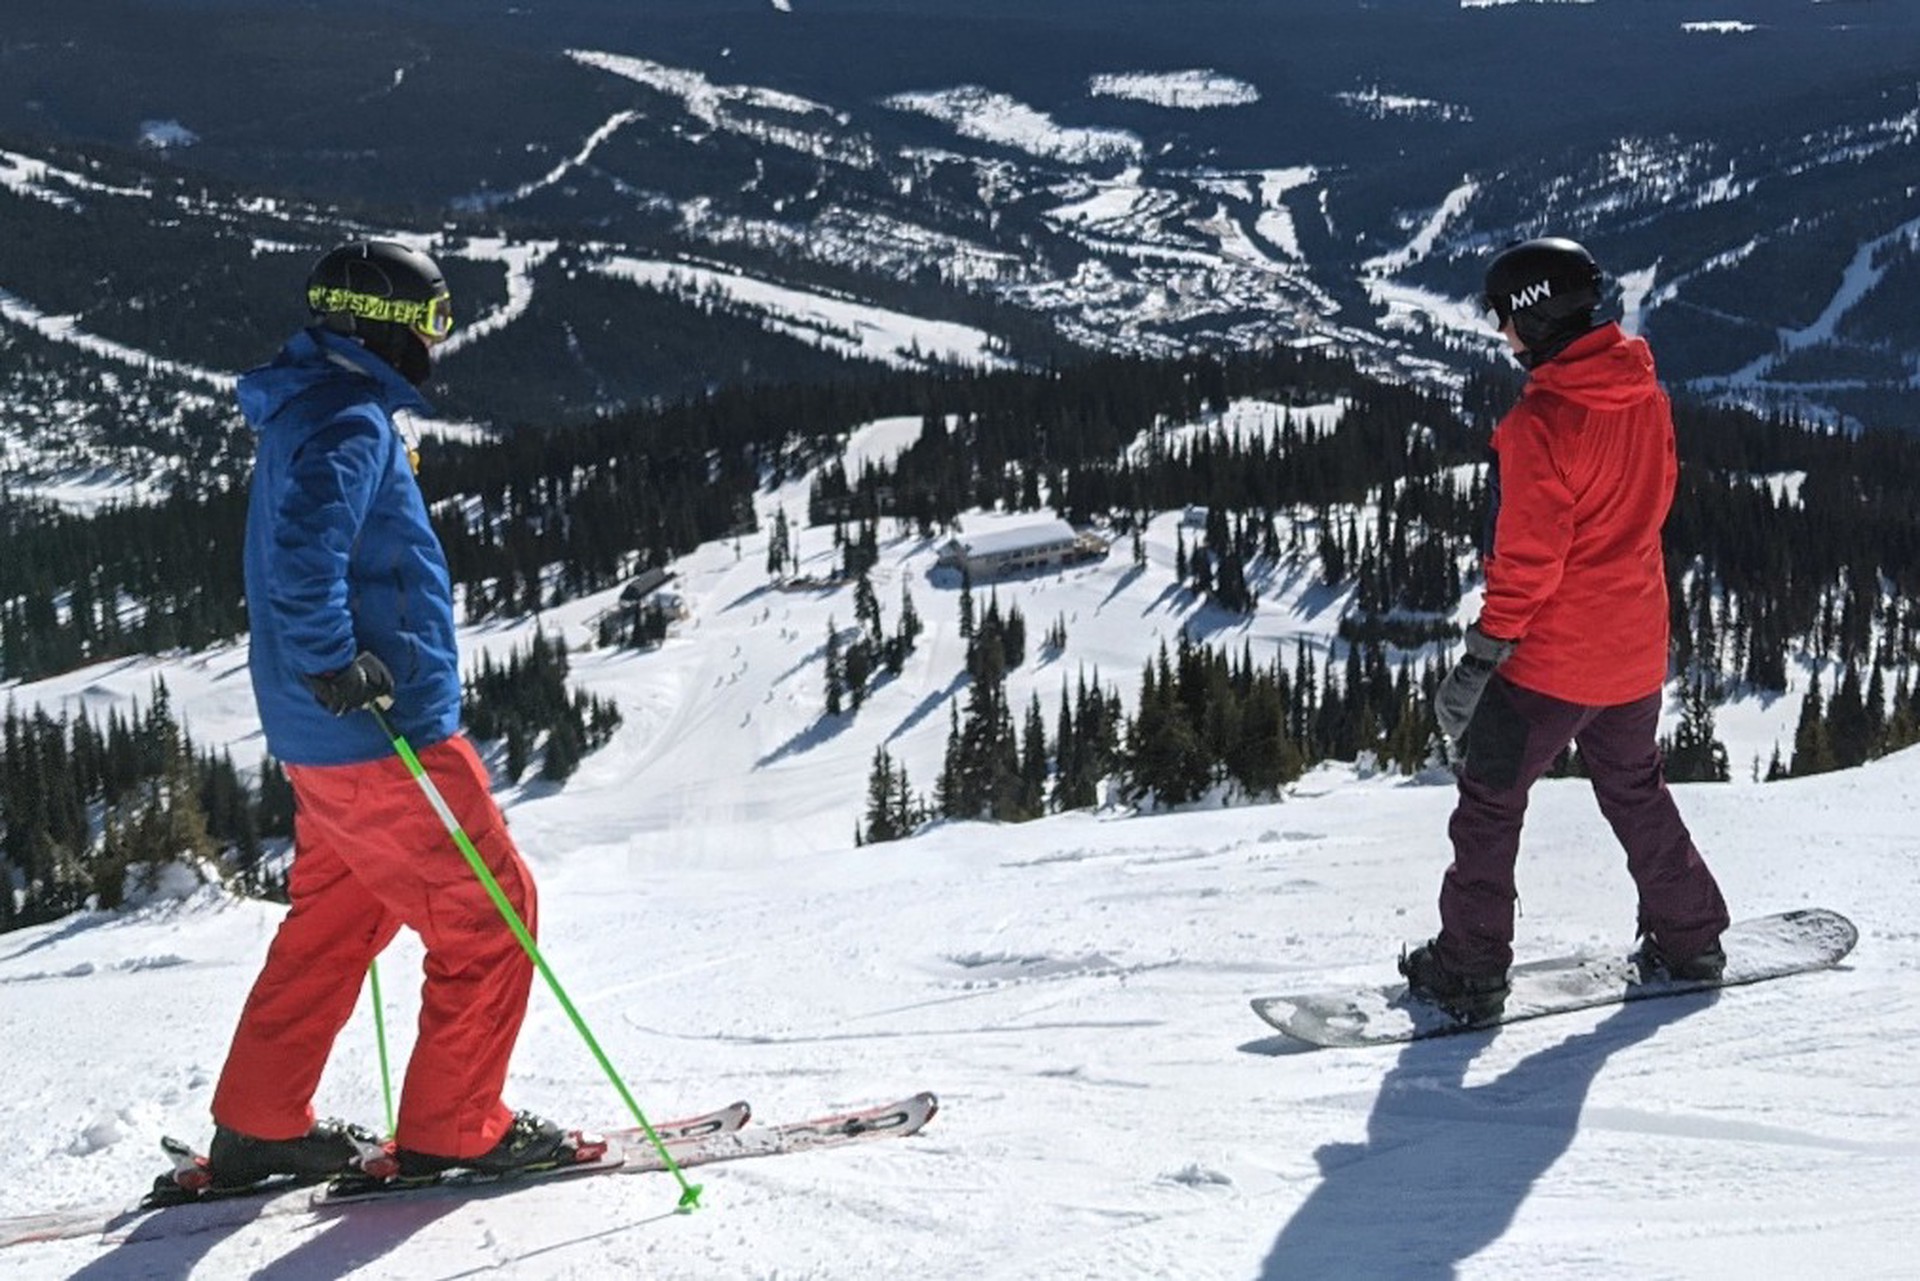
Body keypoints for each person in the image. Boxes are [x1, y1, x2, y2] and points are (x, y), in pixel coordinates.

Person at [207, 240, 579, 1186]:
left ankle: (260, 1122)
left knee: (340, 919)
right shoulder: (353, 422)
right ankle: (457, 1127)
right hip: (383, 731)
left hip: (320, 739)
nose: (437, 344)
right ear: (385, 327)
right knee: (495, 913)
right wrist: (339, 663)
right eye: (432, 323)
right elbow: (302, 560)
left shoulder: (309, 406)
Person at [1400, 236, 1732, 1022]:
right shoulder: (1644, 393)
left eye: (1506, 322)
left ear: (1536, 317)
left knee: (1489, 800)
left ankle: (1470, 971)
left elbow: (1528, 564)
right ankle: (1692, 937)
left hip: (1550, 664)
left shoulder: (1538, 425)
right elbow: (1653, 501)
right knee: (1634, 789)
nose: (1502, 337)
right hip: (1635, 648)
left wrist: (1481, 656)